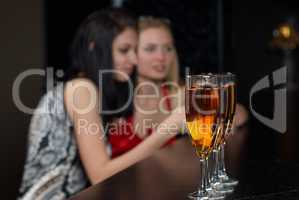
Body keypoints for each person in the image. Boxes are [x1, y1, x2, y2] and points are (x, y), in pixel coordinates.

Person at [18, 8, 184, 200]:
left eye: (135, 50)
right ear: (94, 47)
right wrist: (168, 128)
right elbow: (100, 175)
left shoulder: (99, 89)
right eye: (124, 50)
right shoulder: (82, 89)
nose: (134, 59)